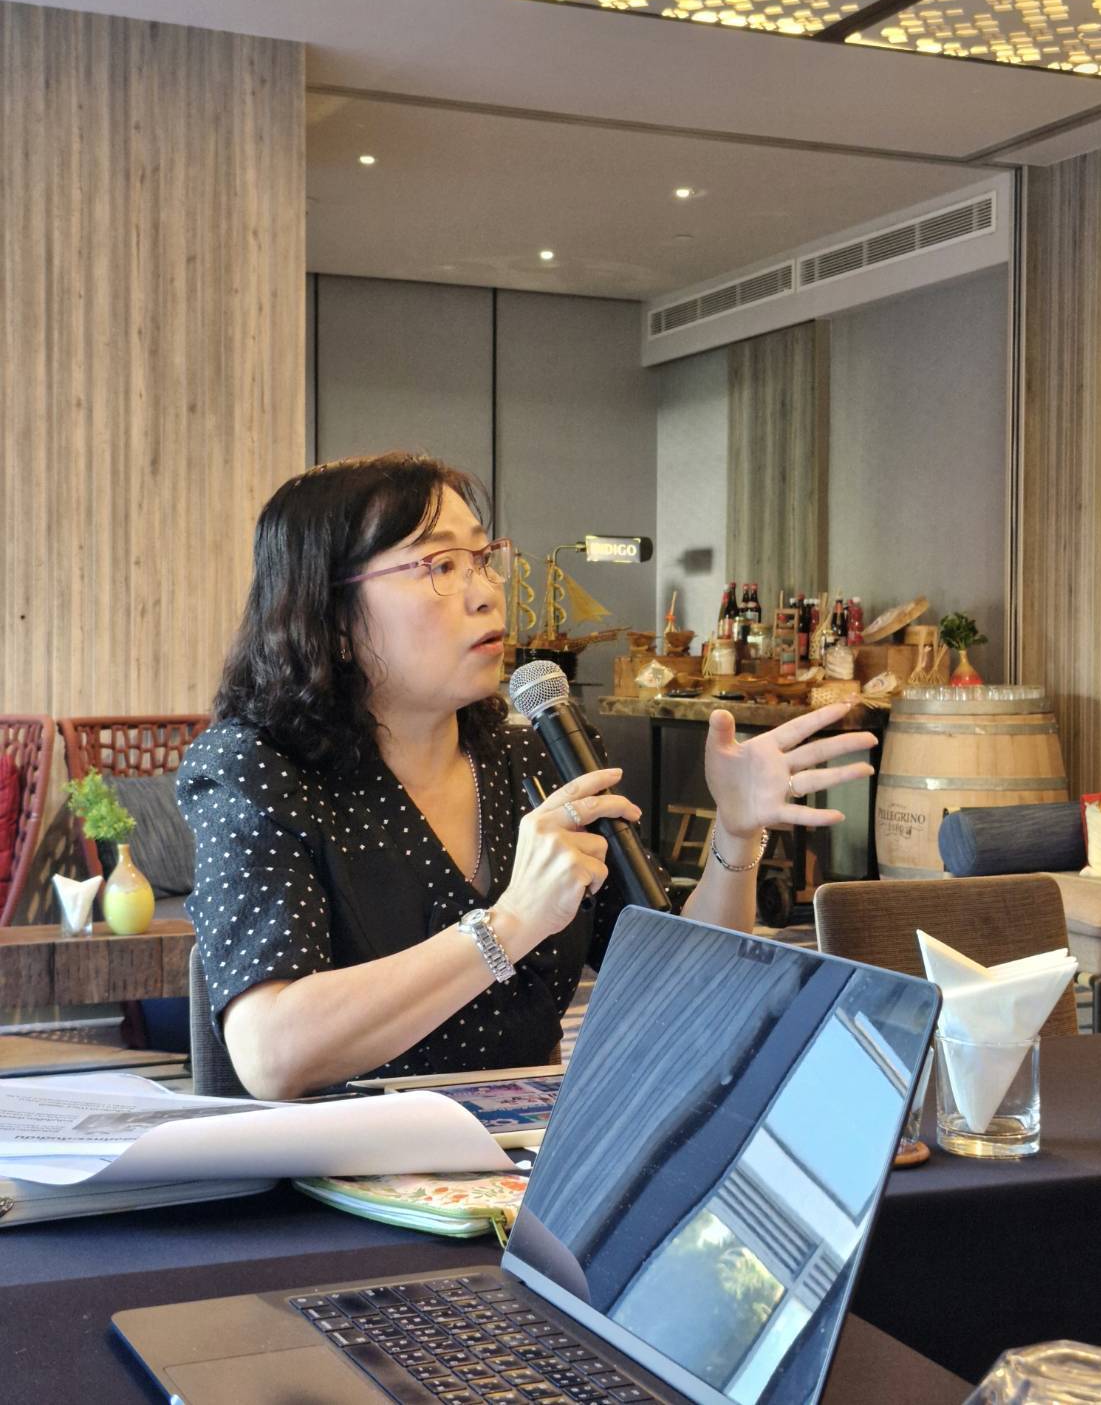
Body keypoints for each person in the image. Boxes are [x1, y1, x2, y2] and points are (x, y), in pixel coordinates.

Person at [179, 453, 876, 1099]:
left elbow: (680, 978)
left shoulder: (537, 754)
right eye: (440, 565)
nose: (486, 594)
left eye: (483, 560)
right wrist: (509, 924)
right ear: (331, 616)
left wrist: (736, 833)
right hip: (343, 1174)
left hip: (526, 1156)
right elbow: (271, 1051)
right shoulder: (256, 770)